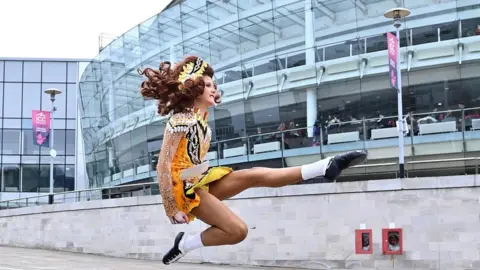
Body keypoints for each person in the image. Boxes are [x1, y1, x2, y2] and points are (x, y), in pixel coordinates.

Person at [138, 56, 367, 265]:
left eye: (212, 85)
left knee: (253, 174)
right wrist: (170, 207)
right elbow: (163, 164)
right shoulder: (180, 120)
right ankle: (185, 244)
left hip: (199, 179)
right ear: (194, 88)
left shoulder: (202, 124)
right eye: (207, 85)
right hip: (184, 189)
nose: (213, 89)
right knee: (238, 231)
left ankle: (325, 166)